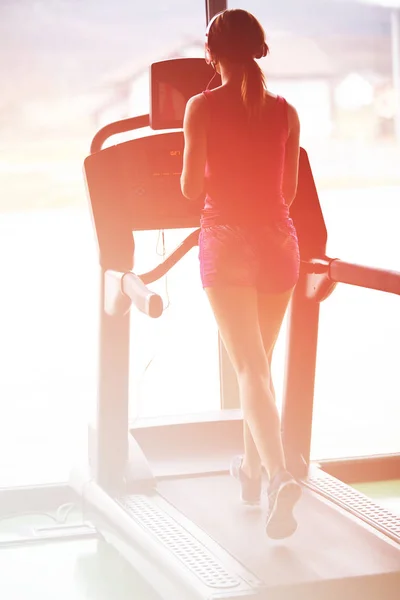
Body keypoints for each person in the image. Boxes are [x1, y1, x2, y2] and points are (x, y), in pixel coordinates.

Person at [180, 8, 302, 540]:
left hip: (227, 242)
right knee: (262, 368)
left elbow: (189, 190)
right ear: (258, 50)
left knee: (250, 369)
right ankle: (251, 473)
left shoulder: (200, 108)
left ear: (212, 55)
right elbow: (289, 191)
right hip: (278, 242)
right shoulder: (286, 111)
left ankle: (279, 478)